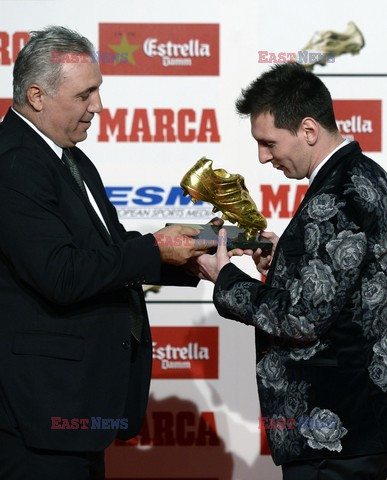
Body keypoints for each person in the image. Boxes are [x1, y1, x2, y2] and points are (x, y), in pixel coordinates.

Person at [0, 26, 216, 479]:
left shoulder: (69, 158)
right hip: (40, 414)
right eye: (86, 94)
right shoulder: (15, 164)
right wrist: (159, 246)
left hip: (74, 411)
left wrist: (205, 251)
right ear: (37, 96)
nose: (98, 106)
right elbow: (61, 274)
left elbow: (114, 252)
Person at [194, 63, 387, 479]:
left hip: (333, 434)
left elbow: (303, 318)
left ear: (308, 130)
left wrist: (225, 276)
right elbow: (346, 287)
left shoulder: (335, 196)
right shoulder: (364, 176)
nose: (263, 157)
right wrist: (285, 262)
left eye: (268, 143)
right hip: (357, 427)